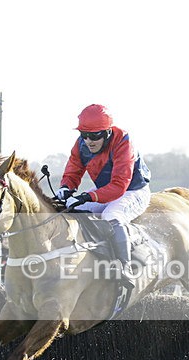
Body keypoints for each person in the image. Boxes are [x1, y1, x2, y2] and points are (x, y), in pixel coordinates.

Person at [56, 104, 151, 288]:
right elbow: (73, 170)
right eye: (84, 134)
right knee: (69, 209)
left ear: (107, 133)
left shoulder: (123, 142)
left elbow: (119, 186)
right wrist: (66, 188)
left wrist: (86, 196)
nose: (89, 141)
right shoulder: (81, 144)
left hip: (133, 191)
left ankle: (125, 267)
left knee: (112, 216)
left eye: (95, 135)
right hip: (108, 192)